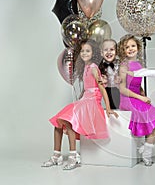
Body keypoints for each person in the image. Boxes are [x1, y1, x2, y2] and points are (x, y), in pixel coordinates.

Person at [42, 39, 118, 170]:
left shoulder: (94, 68)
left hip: (92, 102)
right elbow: (87, 88)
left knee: (69, 122)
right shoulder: (86, 67)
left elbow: (101, 88)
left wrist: (108, 108)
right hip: (84, 100)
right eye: (82, 51)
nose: (84, 53)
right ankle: (56, 155)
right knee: (58, 123)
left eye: (87, 51)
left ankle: (73, 156)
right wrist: (80, 98)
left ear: (93, 53)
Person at [118, 34, 155, 166]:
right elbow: (122, 88)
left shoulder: (138, 65)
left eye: (133, 46)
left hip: (137, 97)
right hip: (128, 99)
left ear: (138, 47)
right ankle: (147, 154)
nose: (131, 49)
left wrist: (143, 94)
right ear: (123, 50)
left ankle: (147, 149)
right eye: (127, 47)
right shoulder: (123, 66)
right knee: (154, 118)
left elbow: (137, 84)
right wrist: (140, 97)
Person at [98, 39, 120, 109]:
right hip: (106, 91)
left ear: (116, 52)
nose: (109, 52)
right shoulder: (99, 66)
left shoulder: (120, 64)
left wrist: (120, 79)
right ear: (101, 53)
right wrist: (102, 80)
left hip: (118, 90)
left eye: (112, 49)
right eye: (106, 50)